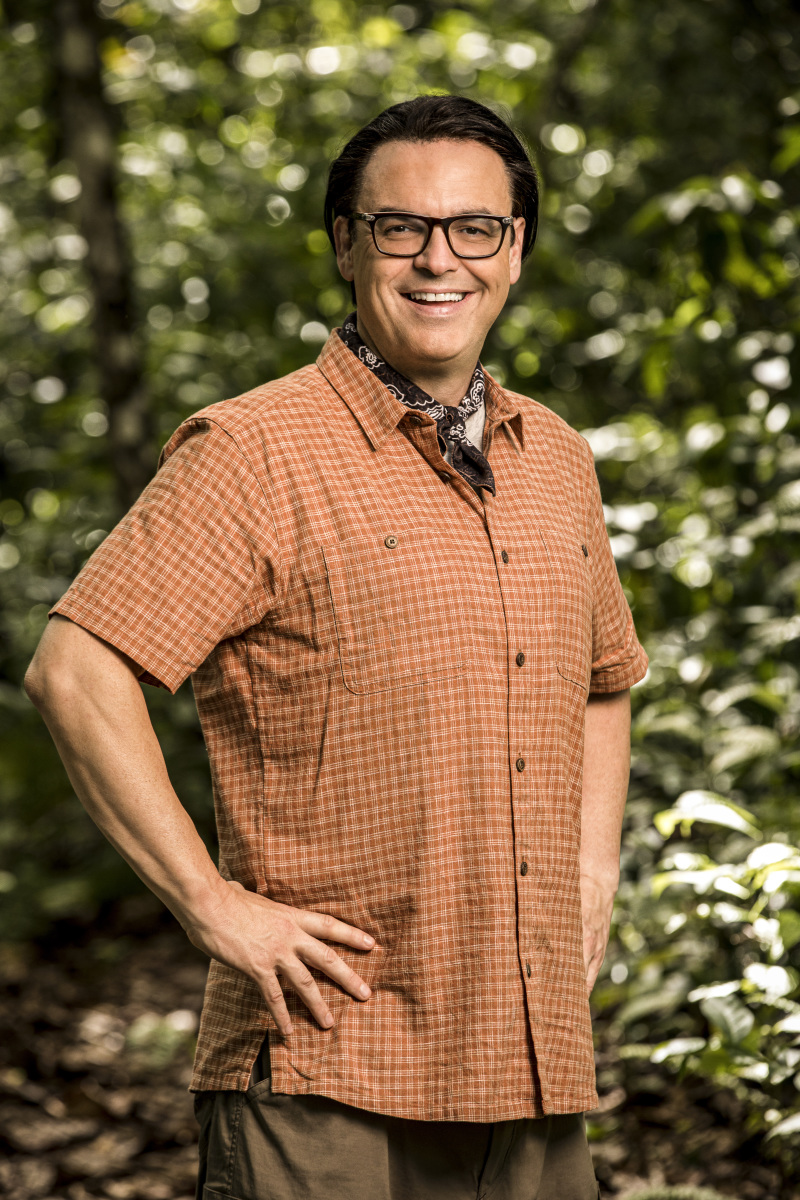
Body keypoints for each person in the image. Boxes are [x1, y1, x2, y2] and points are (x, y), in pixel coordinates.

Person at [25, 94, 648, 1200]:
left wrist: (591, 875)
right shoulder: (253, 450)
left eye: (474, 228)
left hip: (532, 1060)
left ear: (514, 251)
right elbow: (75, 670)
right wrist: (211, 904)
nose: (438, 259)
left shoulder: (555, 458)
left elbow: (605, 680)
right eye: (400, 226)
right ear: (346, 245)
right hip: (327, 1062)